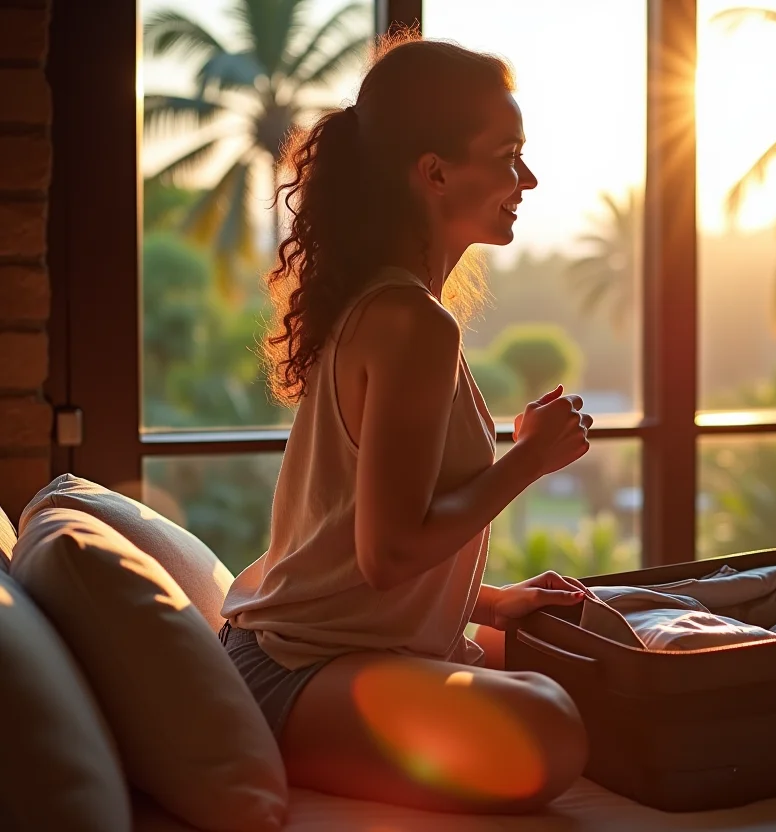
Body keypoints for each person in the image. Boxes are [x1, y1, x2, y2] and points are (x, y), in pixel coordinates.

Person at [217, 28, 593, 814]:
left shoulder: (392, 306)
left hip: (324, 654)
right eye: (509, 156)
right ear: (435, 172)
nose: (527, 178)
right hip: (294, 673)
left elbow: (349, 543)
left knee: (583, 662)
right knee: (549, 727)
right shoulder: (411, 321)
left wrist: (489, 601)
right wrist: (528, 460)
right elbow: (387, 554)